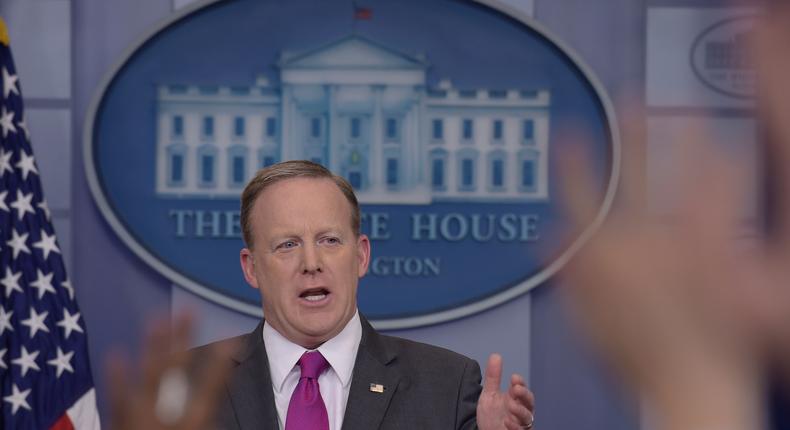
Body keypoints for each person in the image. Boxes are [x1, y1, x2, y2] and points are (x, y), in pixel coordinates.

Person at [185, 160, 535, 430]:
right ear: (252, 268)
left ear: (361, 256)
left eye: (330, 240)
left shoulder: (446, 384)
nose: (311, 263)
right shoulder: (190, 383)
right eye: (288, 245)